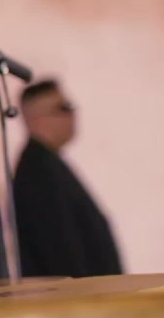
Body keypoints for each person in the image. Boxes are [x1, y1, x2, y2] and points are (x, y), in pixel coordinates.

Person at [13, 80, 123, 278]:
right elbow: (60, 252)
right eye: (64, 108)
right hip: (79, 295)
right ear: (38, 119)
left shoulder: (46, 165)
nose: (73, 114)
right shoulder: (39, 173)